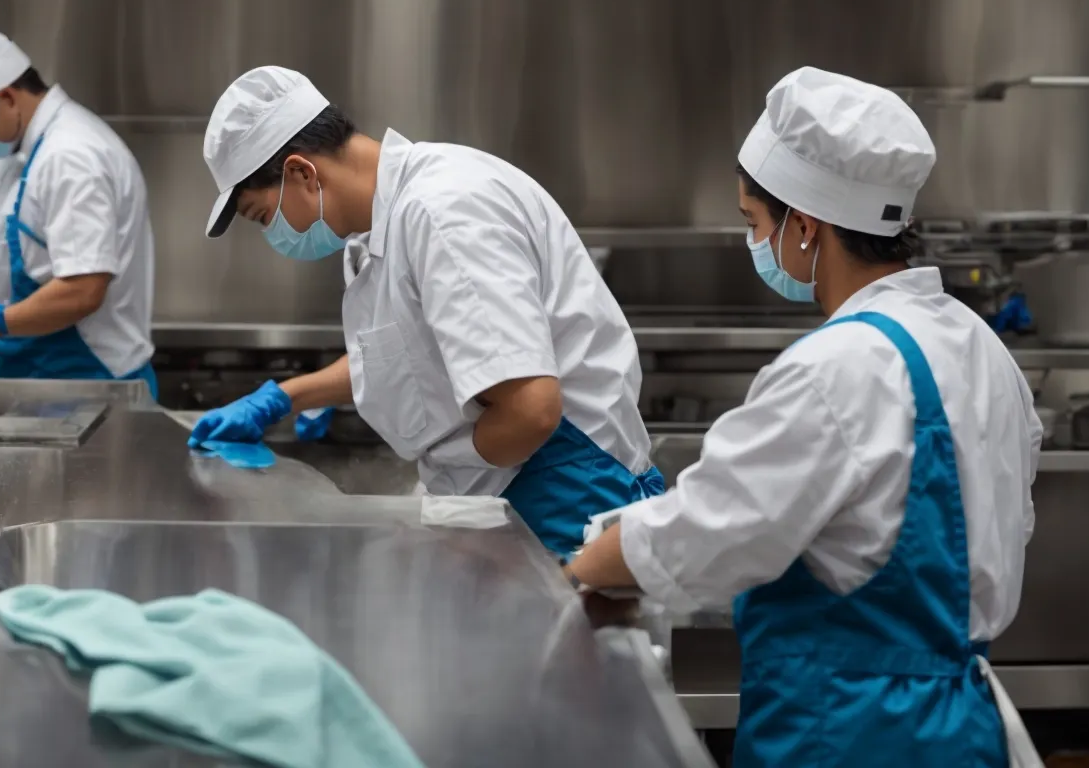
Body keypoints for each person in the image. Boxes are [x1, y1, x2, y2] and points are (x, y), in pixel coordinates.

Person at [565, 67, 1043, 768]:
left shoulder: (840, 365)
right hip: (963, 729)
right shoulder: (980, 348)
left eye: (755, 223)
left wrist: (587, 562)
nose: (755, 244)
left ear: (806, 226)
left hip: (850, 732)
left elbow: (710, 530)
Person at [189, 65, 663, 555]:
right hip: (508, 490)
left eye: (264, 217)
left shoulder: (444, 212)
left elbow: (531, 411)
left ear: (300, 172)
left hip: (564, 495)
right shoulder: (382, 229)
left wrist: (445, 466)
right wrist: (282, 398)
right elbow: (409, 353)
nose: (273, 235)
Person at [0, 30, 157, 394]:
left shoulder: (71, 155)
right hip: (40, 378)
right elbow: (10, 263)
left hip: (92, 384)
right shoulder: (16, 154)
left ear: (7, 97)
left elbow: (83, 290)